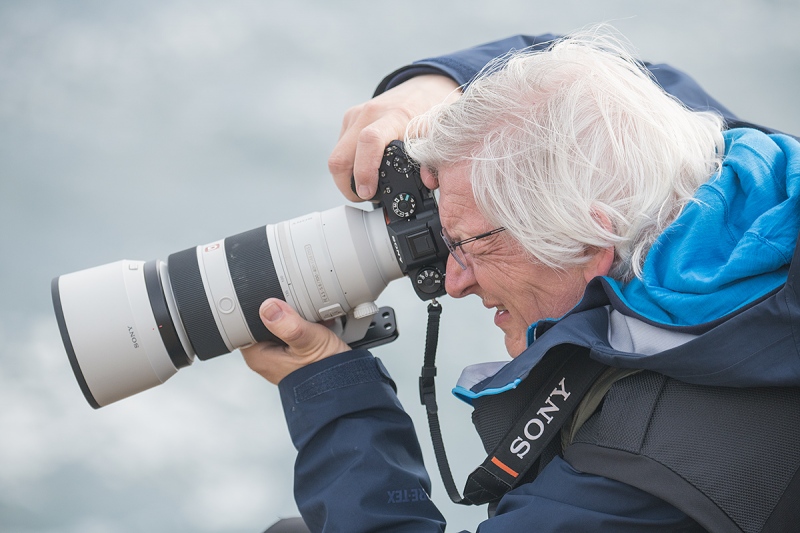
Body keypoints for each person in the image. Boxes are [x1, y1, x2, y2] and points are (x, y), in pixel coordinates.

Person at [243, 28, 800, 532]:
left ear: (588, 240)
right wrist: (432, 90)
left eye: (468, 244)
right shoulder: (733, 168)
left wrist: (331, 391)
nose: (453, 281)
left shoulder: (645, 470)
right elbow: (600, 79)